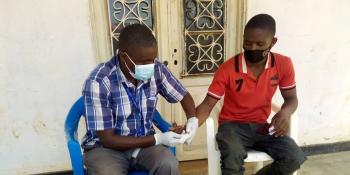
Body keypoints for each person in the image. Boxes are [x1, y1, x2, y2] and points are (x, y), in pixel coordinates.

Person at [196, 14, 306, 175]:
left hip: (262, 127)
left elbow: (291, 98)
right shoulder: (228, 68)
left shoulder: (283, 64)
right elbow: (207, 105)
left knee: (294, 157)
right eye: (247, 43)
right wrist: (188, 127)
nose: (252, 48)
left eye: (260, 44)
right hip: (232, 127)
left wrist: (285, 113)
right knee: (232, 158)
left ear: (273, 42)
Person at [81, 24, 198, 175]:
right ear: (124, 56)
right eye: (143, 62)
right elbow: (108, 139)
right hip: (106, 150)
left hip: (145, 146)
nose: (150, 65)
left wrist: (192, 120)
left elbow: (183, 95)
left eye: (152, 59)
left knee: (167, 164)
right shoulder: (99, 81)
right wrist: (158, 139)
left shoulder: (156, 69)